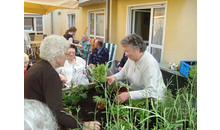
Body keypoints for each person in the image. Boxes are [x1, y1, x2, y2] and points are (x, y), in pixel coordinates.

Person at [24, 35, 101, 130]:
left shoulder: (38, 67)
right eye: (66, 54)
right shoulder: (51, 74)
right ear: (57, 56)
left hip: (30, 117)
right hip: (37, 123)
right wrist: (82, 125)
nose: (67, 57)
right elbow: (56, 112)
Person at [107, 33, 166, 104]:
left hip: (154, 101)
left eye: (127, 51)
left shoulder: (149, 64)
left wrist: (128, 95)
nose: (125, 54)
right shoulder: (132, 59)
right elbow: (123, 73)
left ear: (137, 49)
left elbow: (151, 91)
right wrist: (114, 77)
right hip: (139, 96)